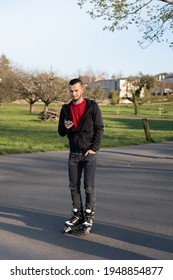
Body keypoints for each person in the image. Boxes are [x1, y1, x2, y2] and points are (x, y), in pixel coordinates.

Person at [58, 78, 104, 232]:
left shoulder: (92, 107)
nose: (73, 93)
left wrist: (94, 148)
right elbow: (61, 132)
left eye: (76, 90)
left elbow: (99, 128)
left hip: (88, 154)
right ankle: (78, 213)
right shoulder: (65, 109)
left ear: (82, 90)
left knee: (88, 187)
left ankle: (89, 214)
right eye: (71, 91)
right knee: (73, 186)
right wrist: (65, 127)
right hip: (74, 154)